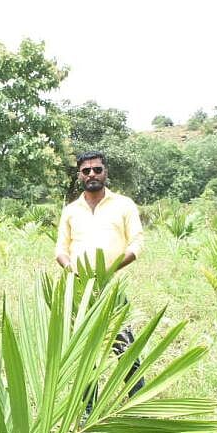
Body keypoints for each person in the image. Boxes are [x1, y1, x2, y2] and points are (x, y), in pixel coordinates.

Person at [54, 151, 145, 396]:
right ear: (79, 176)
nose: (92, 174)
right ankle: (87, 409)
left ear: (105, 172)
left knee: (124, 346)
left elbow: (136, 245)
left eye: (97, 169)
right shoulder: (71, 211)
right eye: (86, 171)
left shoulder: (123, 205)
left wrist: (109, 270)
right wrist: (72, 270)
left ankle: (138, 399)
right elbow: (60, 250)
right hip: (80, 289)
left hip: (111, 288)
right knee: (85, 351)